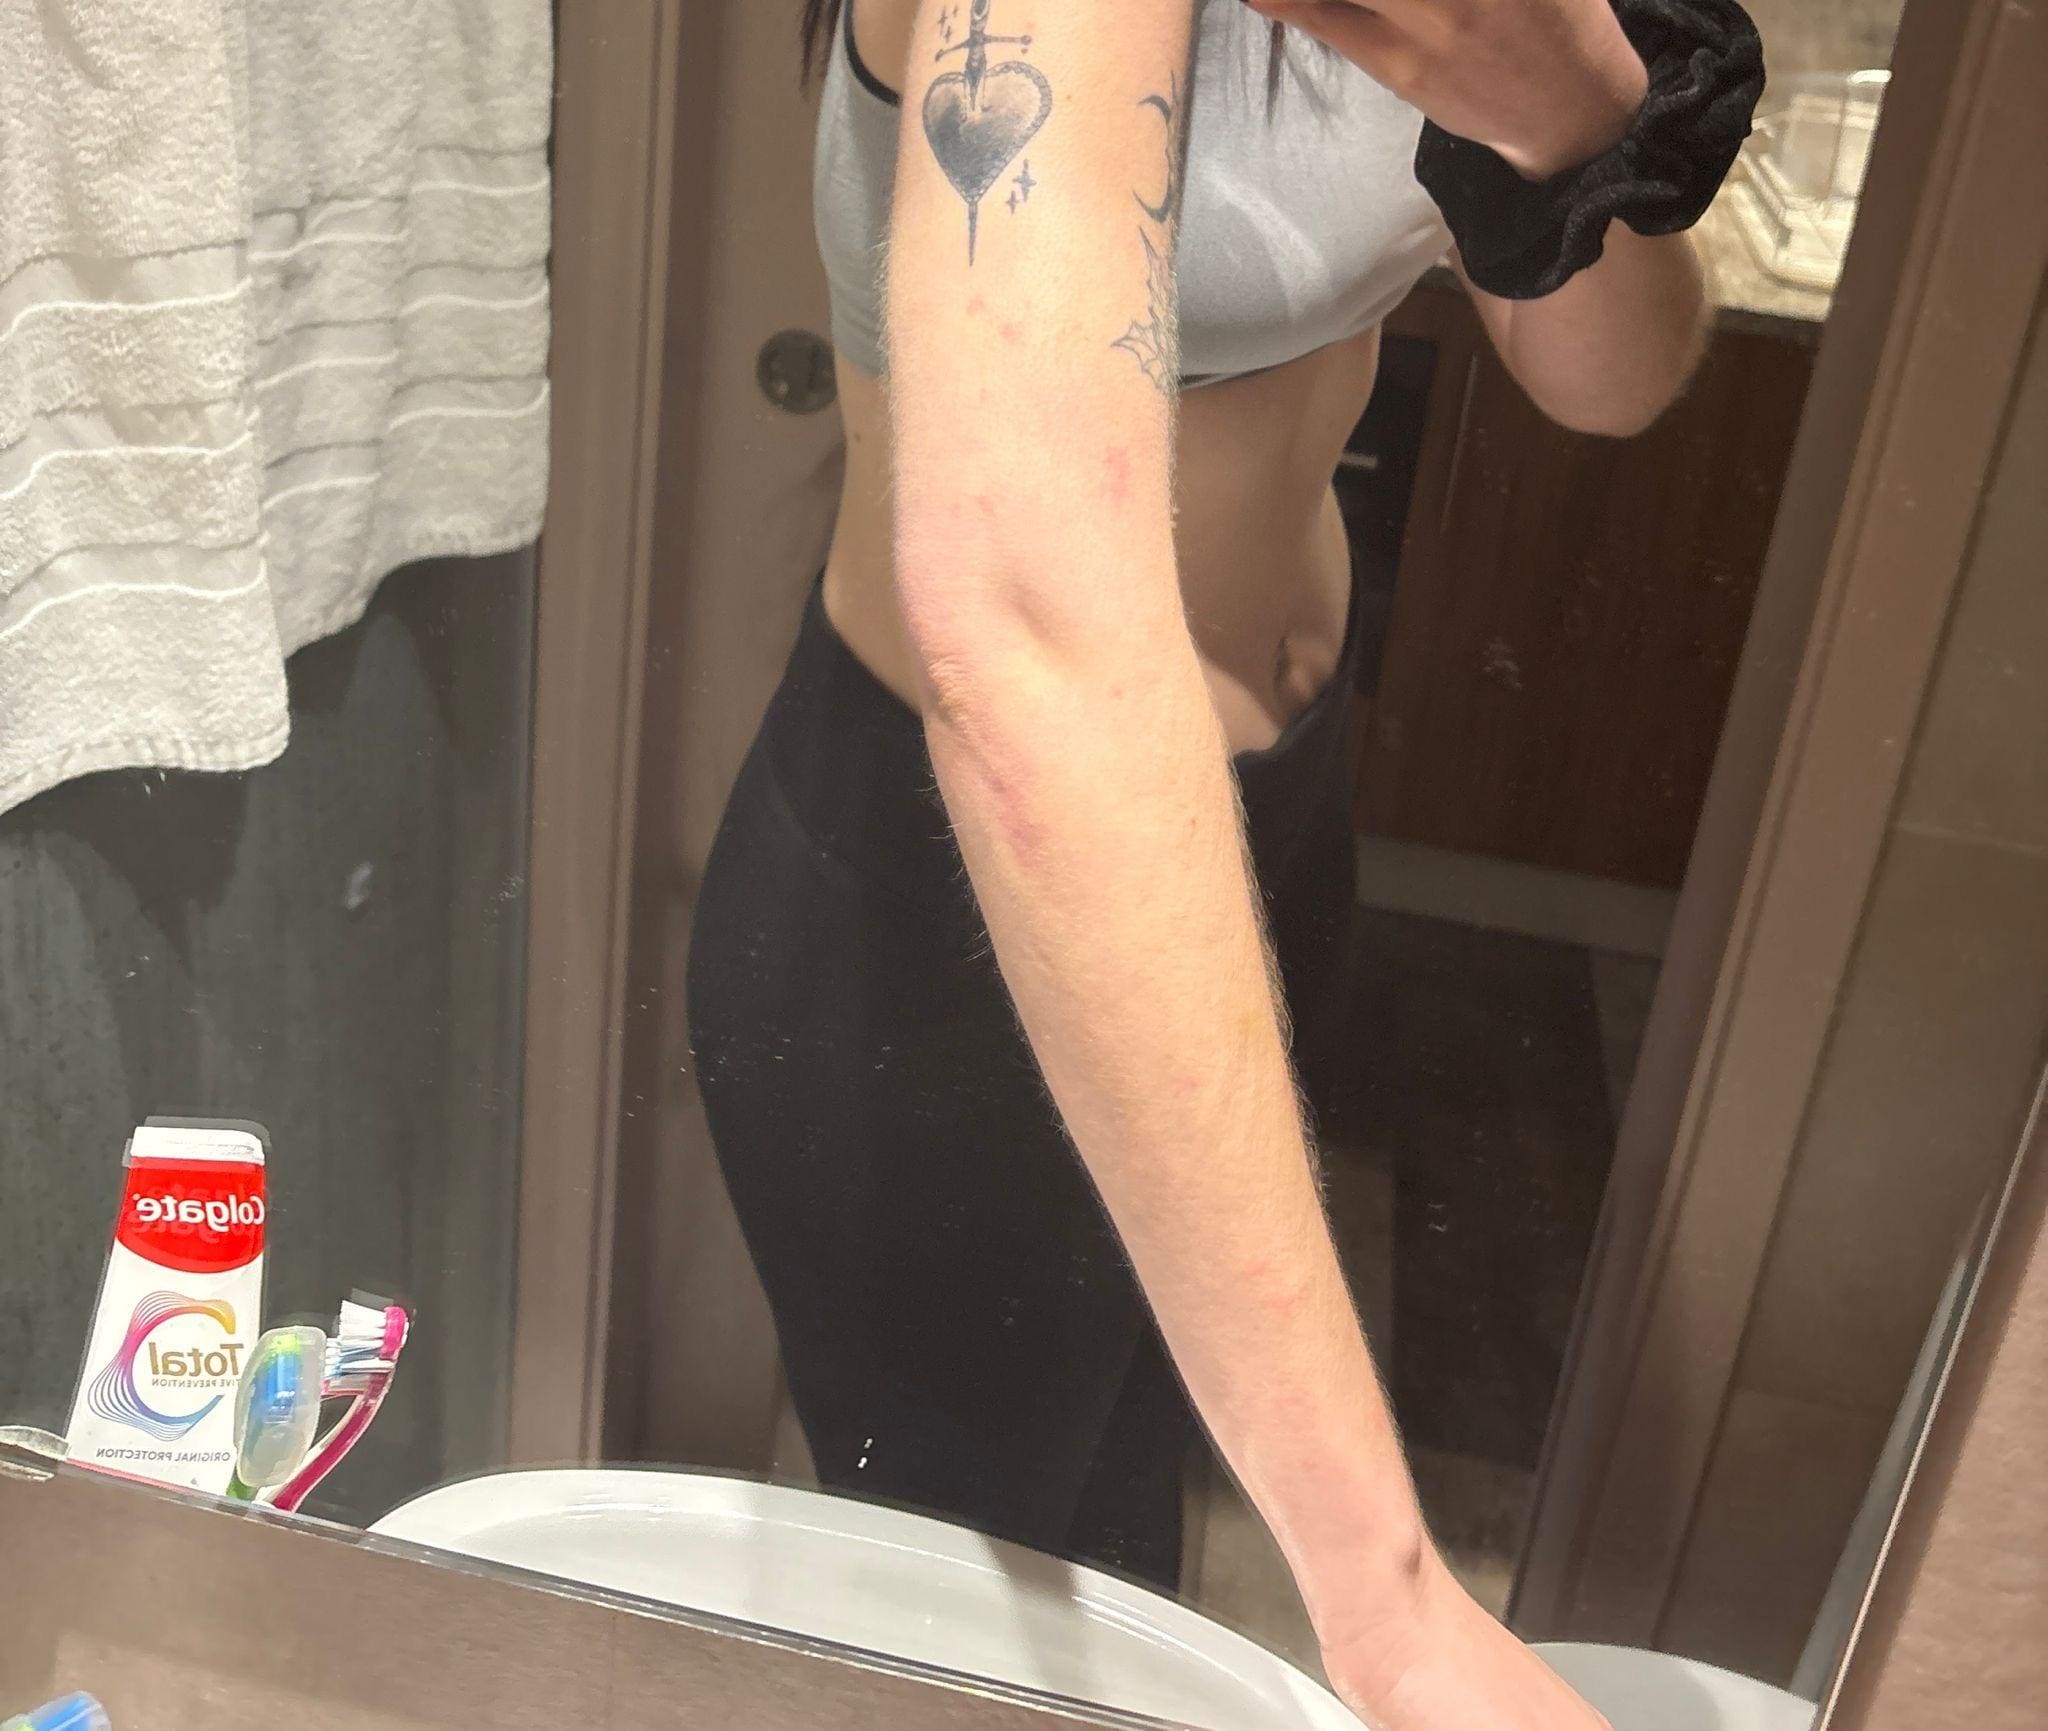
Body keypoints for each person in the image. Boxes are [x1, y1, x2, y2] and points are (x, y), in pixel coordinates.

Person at [687, 2, 1760, 1726]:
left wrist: (1569, 124)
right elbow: (1029, 639)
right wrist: (1390, 1606)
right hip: (955, 917)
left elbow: (1614, 382)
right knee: (983, 1623)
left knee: (1124, 1533)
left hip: (1266, 834)